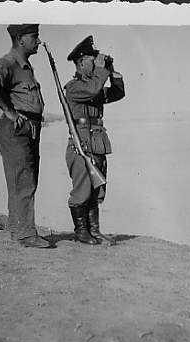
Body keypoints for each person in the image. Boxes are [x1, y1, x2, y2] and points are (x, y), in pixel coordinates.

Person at [0, 24, 51, 248]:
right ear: (21, 39)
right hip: (18, 128)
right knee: (23, 180)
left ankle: (16, 228)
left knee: (23, 179)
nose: (39, 41)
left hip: (29, 128)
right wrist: (9, 112)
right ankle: (26, 234)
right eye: (35, 37)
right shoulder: (9, 63)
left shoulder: (24, 66)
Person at [64, 35, 125, 245]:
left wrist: (111, 68)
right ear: (81, 62)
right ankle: (81, 231)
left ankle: (94, 230)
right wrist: (102, 71)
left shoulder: (94, 87)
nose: (96, 62)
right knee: (82, 191)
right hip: (81, 146)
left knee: (95, 191)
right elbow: (93, 89)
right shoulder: (74, 87)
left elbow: (118, 93)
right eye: (92, 59)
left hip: (96, 144)